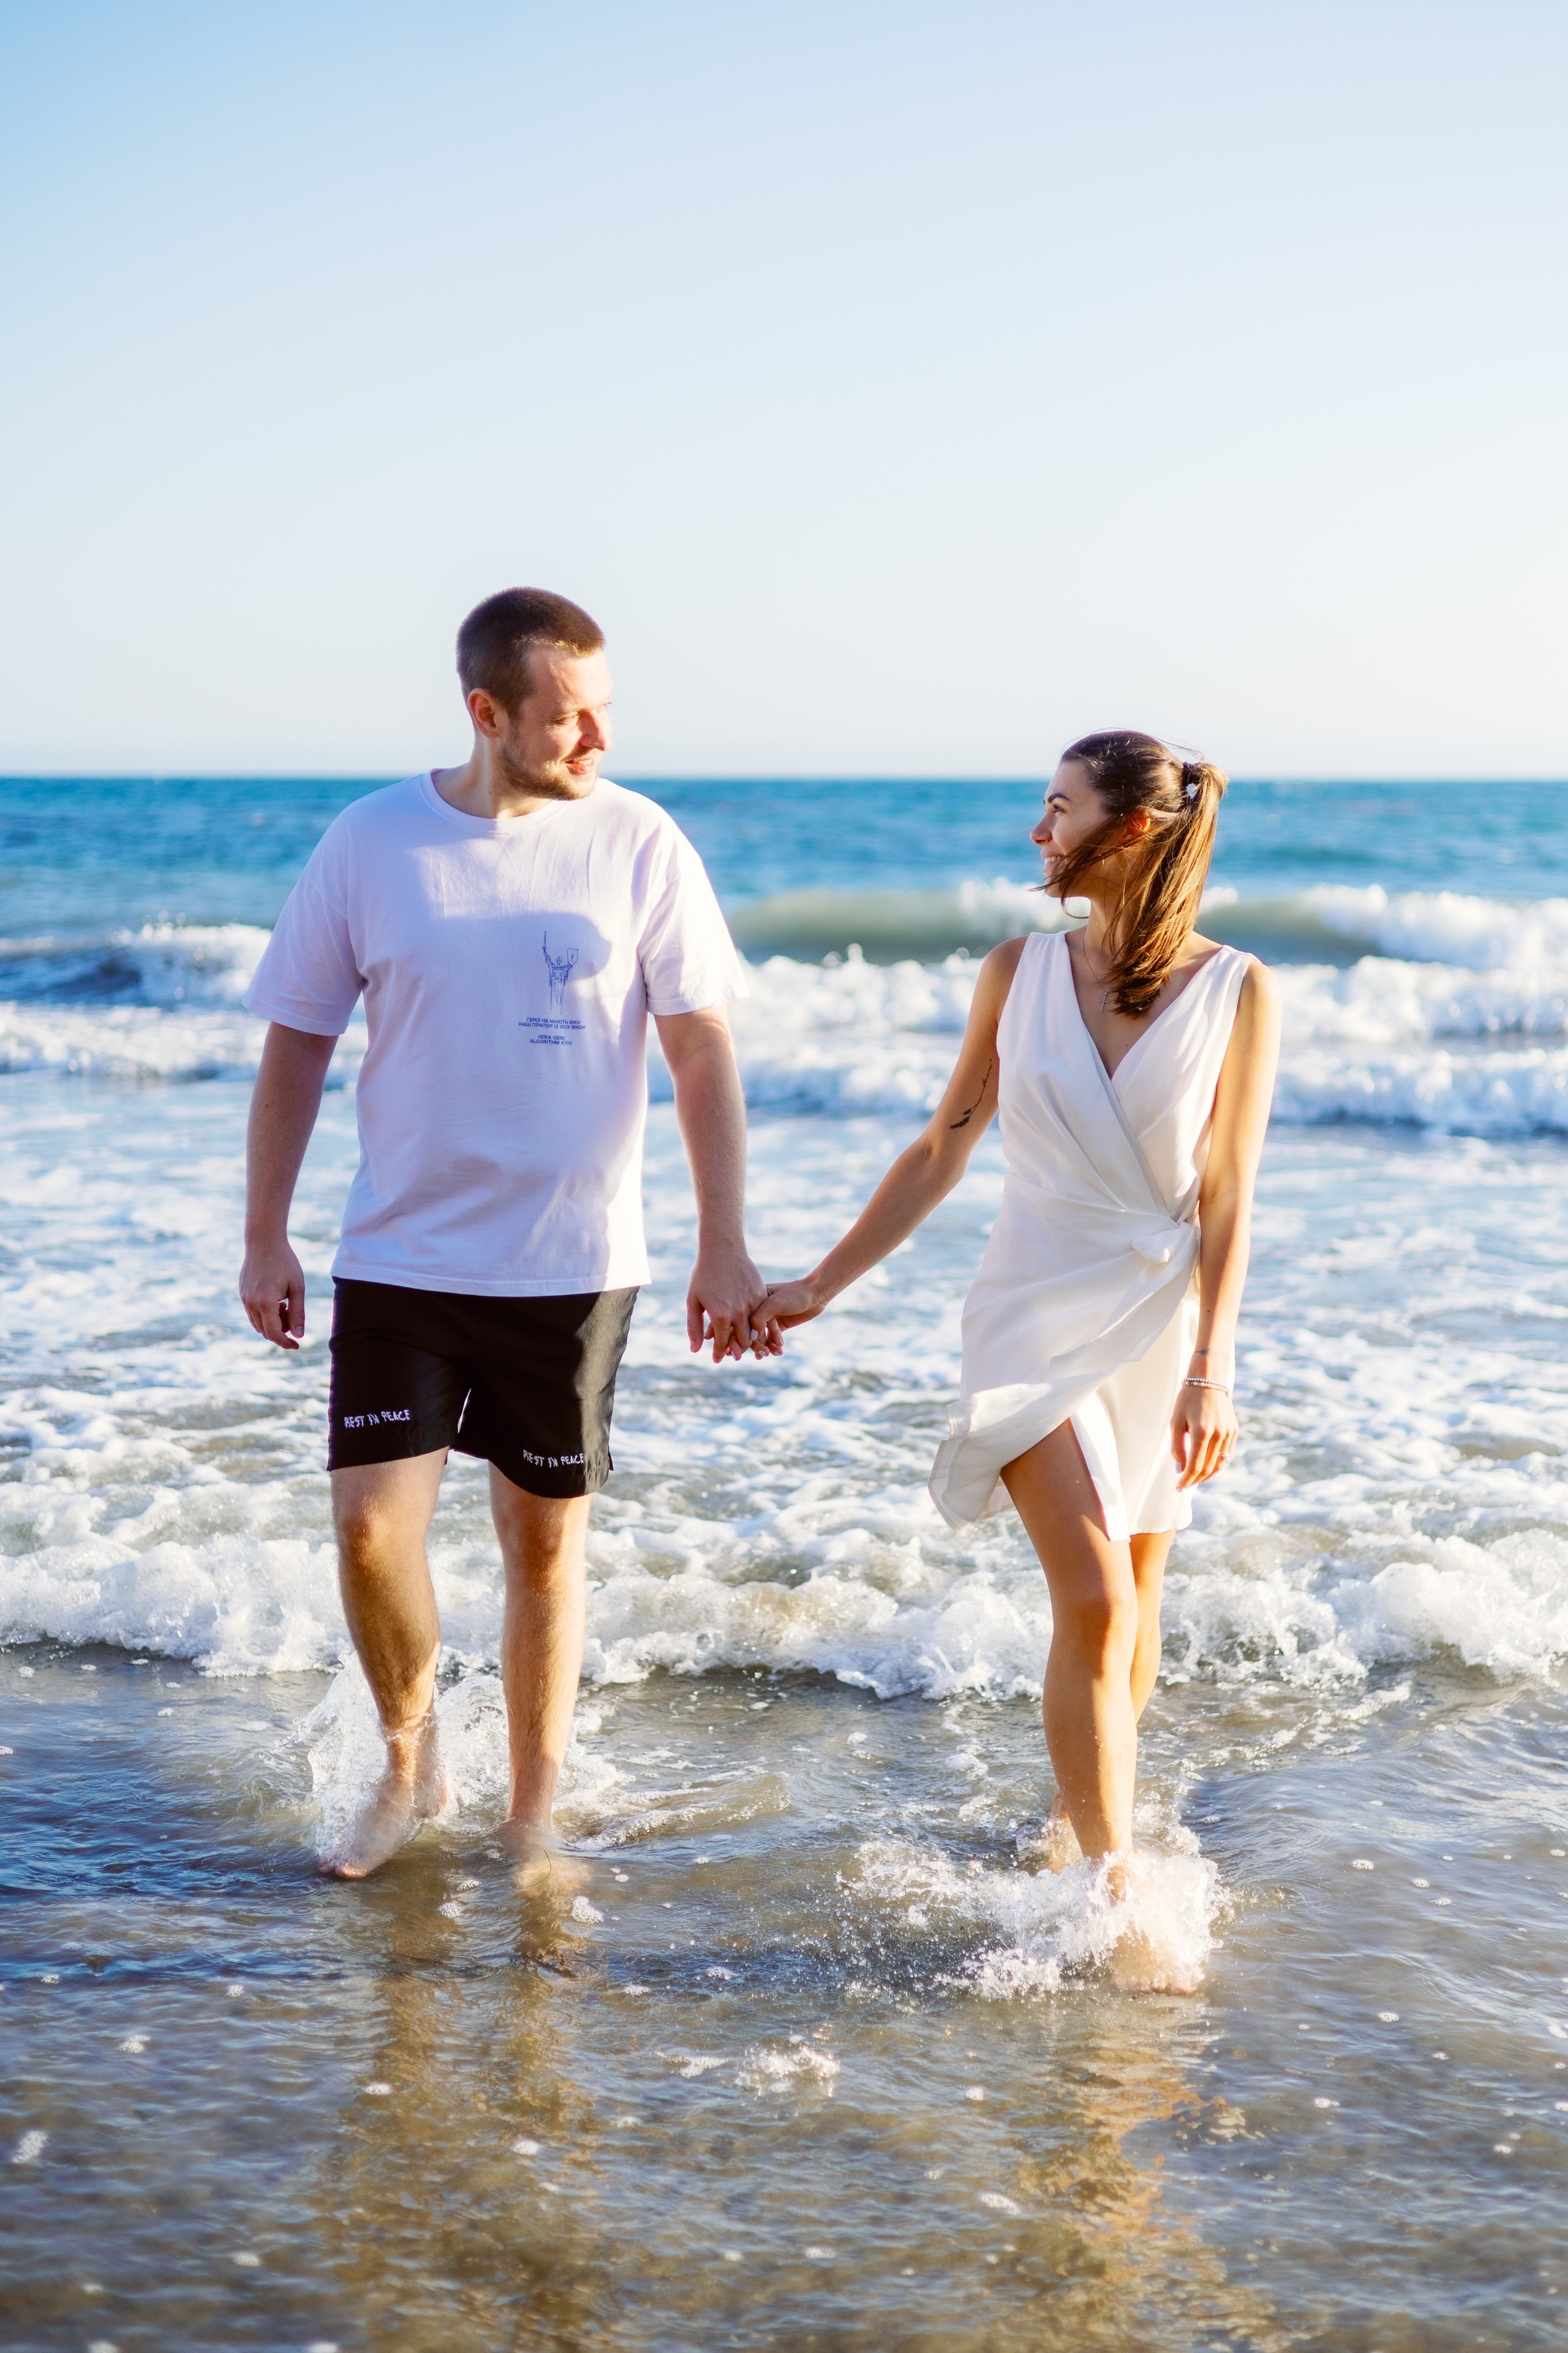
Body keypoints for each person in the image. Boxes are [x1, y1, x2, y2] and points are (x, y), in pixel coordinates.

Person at [239, 587, 775, 1884]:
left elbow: (700, 1049)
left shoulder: (641, 841)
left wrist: (725, 1242)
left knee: (542, 1542)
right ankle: (409, 1758)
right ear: (485, 713)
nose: (597, 739)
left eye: (606, 711)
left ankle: (530, 1811)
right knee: (370, 1529)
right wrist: (265, 1234)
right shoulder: (372, 843)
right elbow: (296, 1044)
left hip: (573, 1260)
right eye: (568, 715)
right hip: (401, 1252)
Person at [766, 732, 1280, 1886]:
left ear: (1132, 828)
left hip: (1152, 1320)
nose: (1037, 832)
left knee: (1135, 1604)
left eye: (1059, 808)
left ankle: (1077, 1819)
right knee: (1095, 1596)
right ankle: (1115, 1889)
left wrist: (1214, 1363)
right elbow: (943, 1147)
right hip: (1028, 1312)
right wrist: (819, 1283)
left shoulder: (1240, 990)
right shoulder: (1018, 971)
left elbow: (1232, 1191)